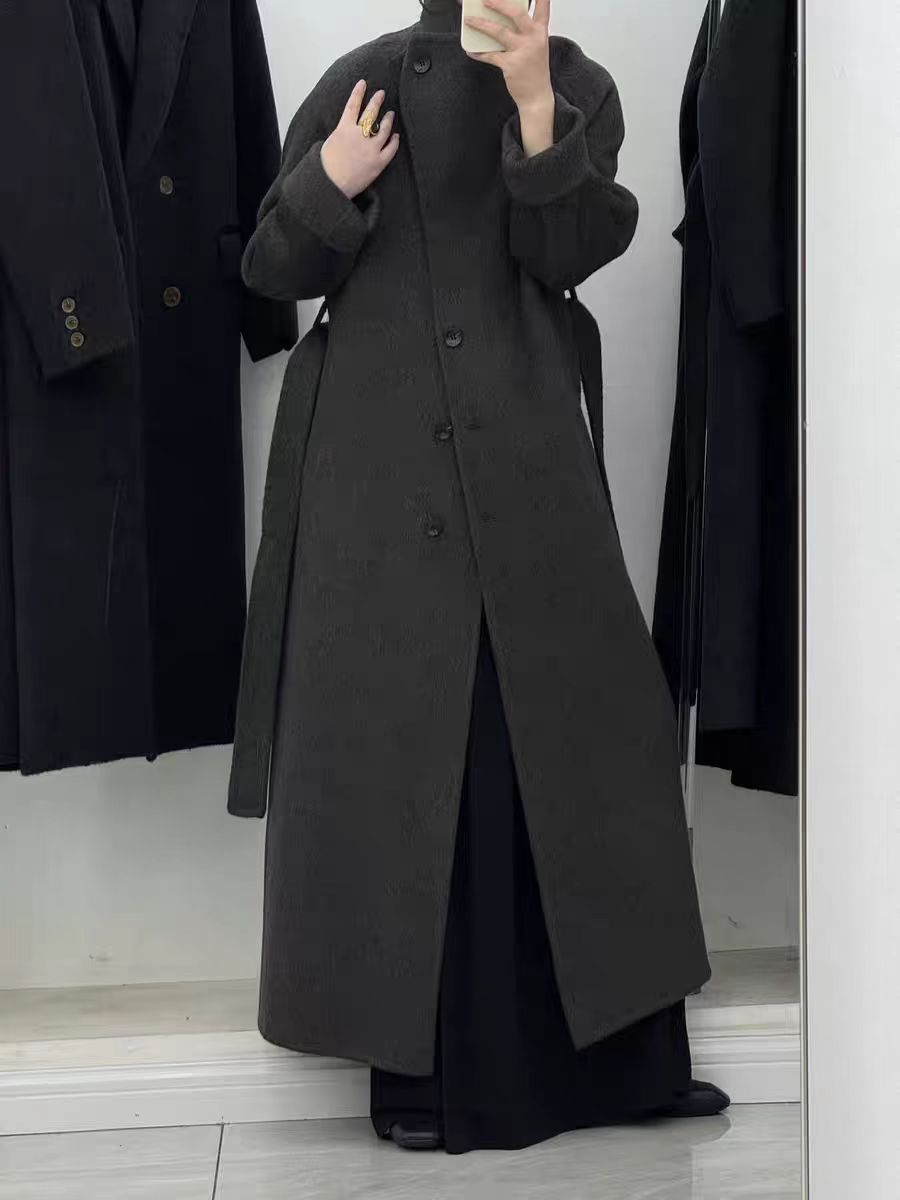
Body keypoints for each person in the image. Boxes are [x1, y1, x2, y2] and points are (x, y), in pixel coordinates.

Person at [234, 0, 729, 1154]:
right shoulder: (363, 80)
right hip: (376, 472)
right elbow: (269, 266)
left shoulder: (578, 83)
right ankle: (424, 1087)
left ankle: (624, 1067)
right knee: (413, 759)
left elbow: (571, 250)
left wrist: (536, 109)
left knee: (574, 746)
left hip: (527, 457)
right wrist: (333, 180)